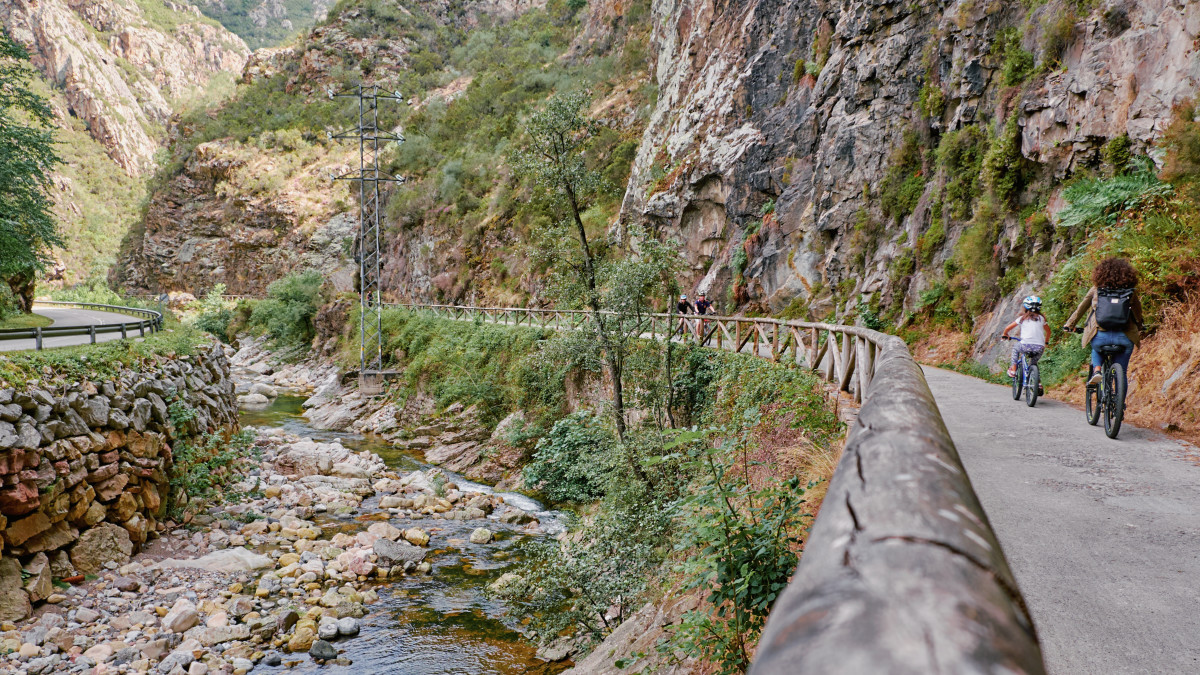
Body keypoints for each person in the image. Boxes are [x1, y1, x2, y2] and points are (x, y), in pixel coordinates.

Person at [1063, 257, 1144, 385]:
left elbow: (1081, 308)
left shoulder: (1096, 289)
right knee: (1121, 372)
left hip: (1100, 335)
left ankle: (1097, 370)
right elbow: (1137, 312)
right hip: (1125, 336)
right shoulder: (1130, 292)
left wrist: (1069, 324)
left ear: (1101, 273)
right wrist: (1140, 325)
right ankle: (1119, 402)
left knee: (1096, 348)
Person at [1001, 296, 1050, 378]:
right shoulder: (1042, 318)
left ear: (1025, 307)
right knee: (1033, 364)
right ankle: (1038, 384)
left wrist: (1005, 334)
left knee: (1015, 348)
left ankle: (1013, 370)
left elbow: (1007, 328)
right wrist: (1046, 342)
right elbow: (1048, 331)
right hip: (1040, 347)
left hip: (1025, 345)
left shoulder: (1022, 318)